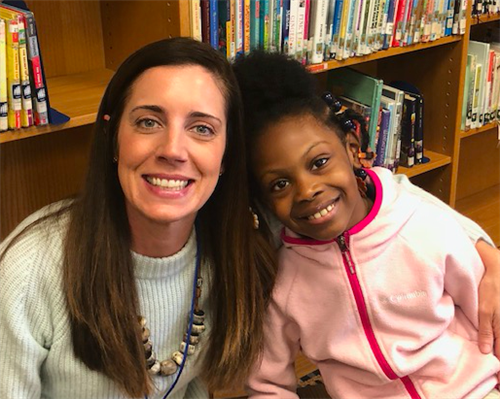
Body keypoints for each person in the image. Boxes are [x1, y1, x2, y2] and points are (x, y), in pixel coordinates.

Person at [0, 38, 276, 399]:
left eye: (202, 128)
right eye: (148, 122)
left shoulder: (231, 257)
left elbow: (194, 386)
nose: (173, 150)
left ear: (225, 157)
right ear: (113, 137)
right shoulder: (28, 270)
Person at [232, 51, 500, 399]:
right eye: (279, 184)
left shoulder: (423, 225)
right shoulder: (282, 281)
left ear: (352, 149)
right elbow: (268, 385)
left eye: (319, 162)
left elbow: (489, 315)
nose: (307, 190)